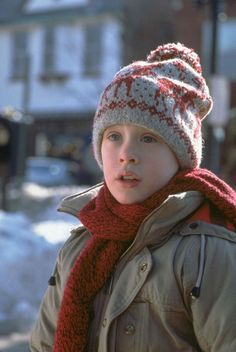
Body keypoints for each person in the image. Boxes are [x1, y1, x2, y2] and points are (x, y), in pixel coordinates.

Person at [30, 43, 236, 352]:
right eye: (114, 137)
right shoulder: (80, 245)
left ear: (180, 156)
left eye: (149, 138)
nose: (126, 154)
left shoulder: (206, 250)